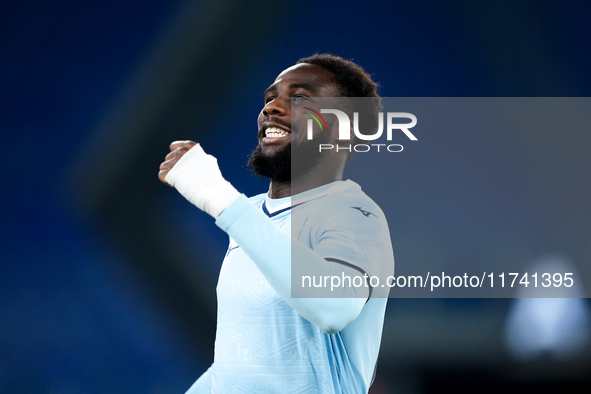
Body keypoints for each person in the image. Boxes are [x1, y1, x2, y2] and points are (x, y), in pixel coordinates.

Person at [158, 54, 394, 394]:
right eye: (270, 98)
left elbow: (334, 307)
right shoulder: (250, 215)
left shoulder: (355, 213)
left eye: (299, 98)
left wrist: (218, 196)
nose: (272, 107)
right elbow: (245, 357)